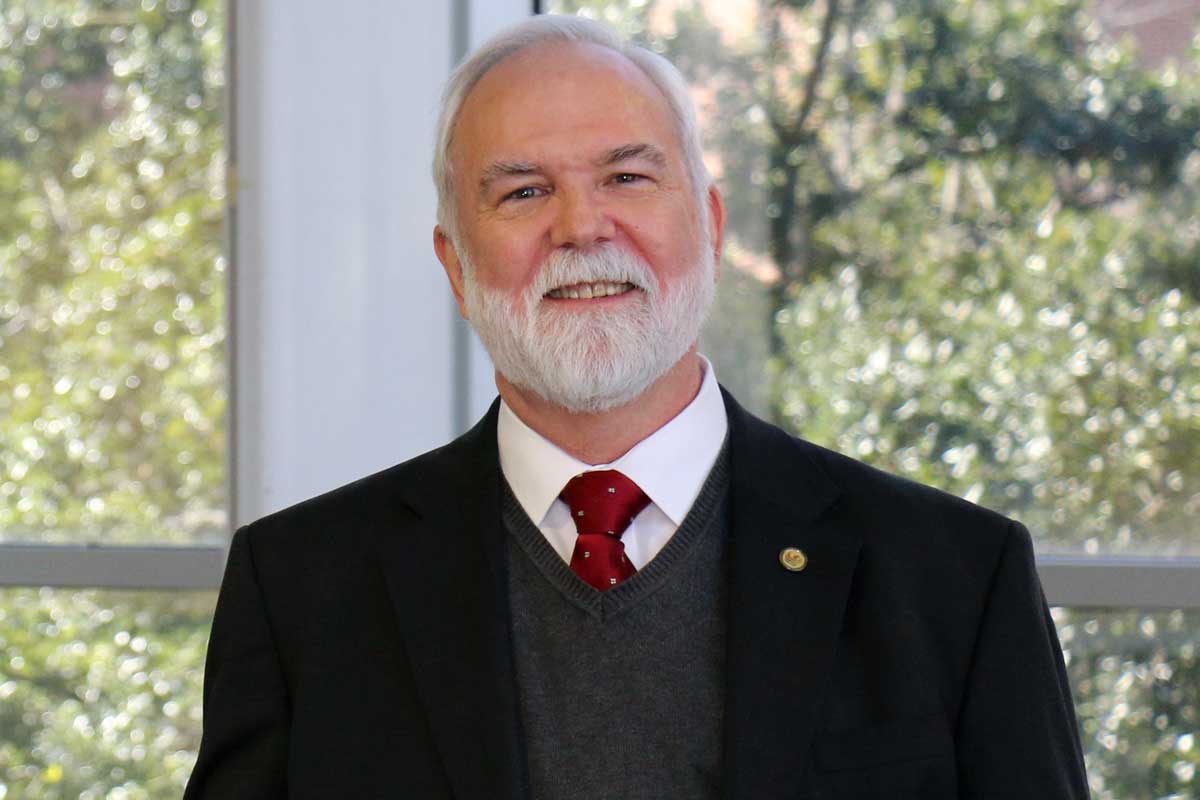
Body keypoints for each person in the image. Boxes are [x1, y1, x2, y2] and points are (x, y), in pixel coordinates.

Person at [184, 15, 1090, 800]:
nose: (582, 227)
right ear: (456, 265)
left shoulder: (956, 583)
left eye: (626, 178)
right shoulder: (301, 591)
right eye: (524, 191)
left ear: (711, 224)